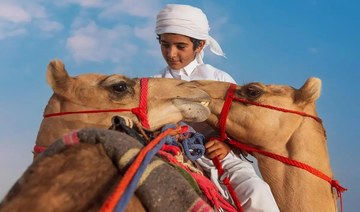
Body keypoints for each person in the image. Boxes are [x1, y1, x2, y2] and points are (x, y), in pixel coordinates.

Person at [153, 4, 279, 212]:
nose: (171, 53)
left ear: (200, 45)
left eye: (180, 46)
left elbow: (241, 126)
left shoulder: (219, 80)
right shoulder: (154, 83)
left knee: (257, 192)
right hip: (170, 155)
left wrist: (229, 146)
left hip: (222, 159)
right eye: (165, 45)